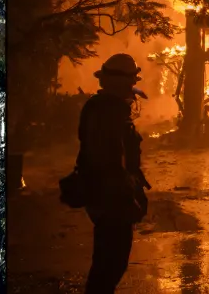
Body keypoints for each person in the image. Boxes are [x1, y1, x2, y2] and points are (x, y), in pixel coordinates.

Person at [76, 53, 150, 294]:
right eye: (129, 82)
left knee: (111, 263)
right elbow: (110, 161)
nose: (132, 88)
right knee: (110, 263)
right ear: (118, 83)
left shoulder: (107, 109)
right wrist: (128, 197)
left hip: (109, 195)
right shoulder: (107, 113)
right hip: (110, 198)